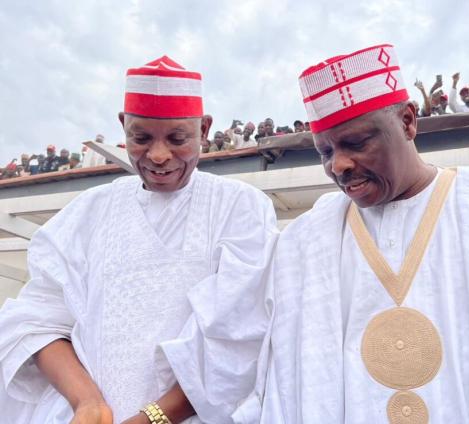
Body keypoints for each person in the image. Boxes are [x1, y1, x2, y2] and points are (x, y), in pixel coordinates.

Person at [260, 43, 469, 423]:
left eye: (356, 143)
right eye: (324, 152)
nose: (338, 165)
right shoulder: (306, 242)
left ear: (408, 121)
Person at [0, 56, 277, 424]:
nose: (159, 155)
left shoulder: (240, 207)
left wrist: (153, 418)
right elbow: (35, 322)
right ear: (123, 126)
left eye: (178, 138)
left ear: (204, 129)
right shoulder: (86, 213)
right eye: (141, 138)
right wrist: (87, 403)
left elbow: (240, 339)